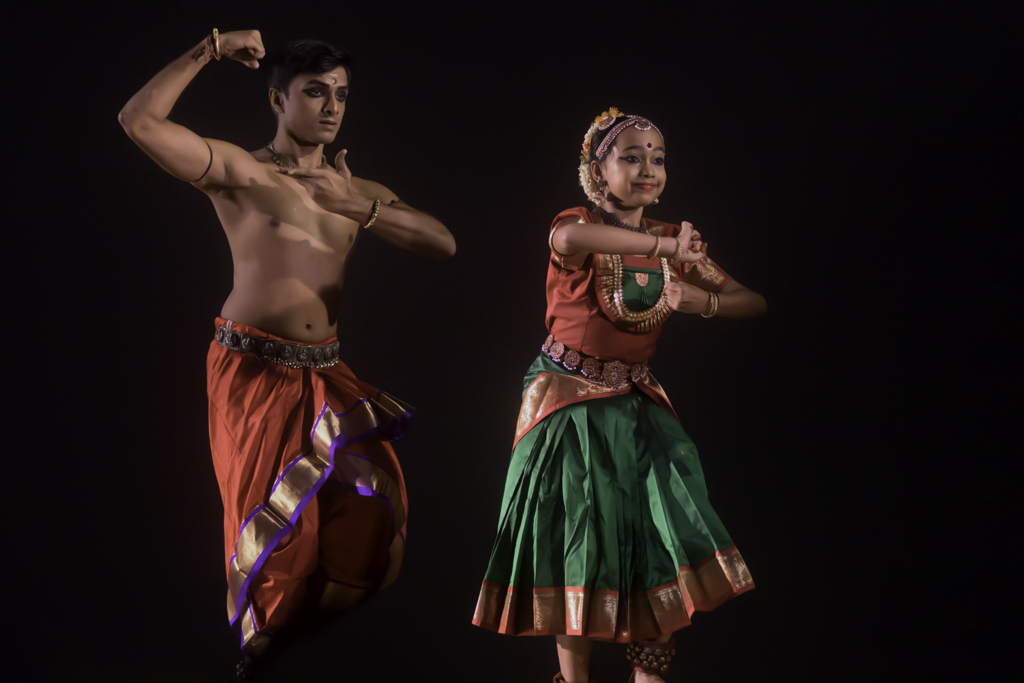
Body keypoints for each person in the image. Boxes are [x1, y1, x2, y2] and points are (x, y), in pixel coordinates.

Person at [118, 30, 456, 675]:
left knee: (371, 524)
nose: (332, 107)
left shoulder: (356, 191)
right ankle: (261, 657)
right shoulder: (241, 171)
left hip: (325, 372)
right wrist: (211, 49)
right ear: (277, 99)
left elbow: (443, 242)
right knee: (278, 545)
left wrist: (357, 206)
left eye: (341, 95)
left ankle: (286, 655)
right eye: (315, 92)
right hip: (252, 370)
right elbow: (138, 121)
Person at [471, 107, 765, 683]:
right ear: (597, 169)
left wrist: (698, 299)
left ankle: (650, 674)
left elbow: (751, 302)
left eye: (657, 157)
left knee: (657, 535)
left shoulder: (671, 237)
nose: (648, 168)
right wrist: (669, 251)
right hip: (567, 405)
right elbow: (568, 237)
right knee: (575, 537)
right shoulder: (582, 225)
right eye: (630, 156)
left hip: (634, 407)